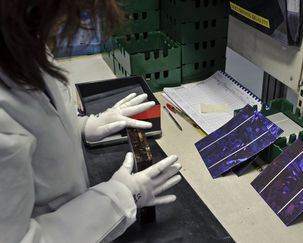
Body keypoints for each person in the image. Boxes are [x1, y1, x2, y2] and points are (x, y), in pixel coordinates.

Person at [0, 1, 182, 242]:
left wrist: (83, 126)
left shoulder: (22, 41)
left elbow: (39, 114)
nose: (62, 24)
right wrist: (118, 199)